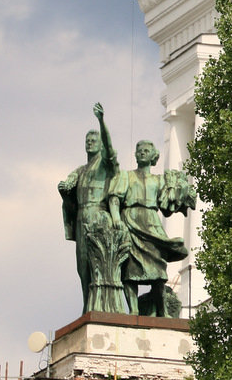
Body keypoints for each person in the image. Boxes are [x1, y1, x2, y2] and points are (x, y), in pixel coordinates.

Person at [111, 140, 192, 316]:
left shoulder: (159, 180)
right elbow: (115, 198)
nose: (142, 153)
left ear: (153, 156)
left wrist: (177, 192)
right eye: (139, 150)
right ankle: (133, 310)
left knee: (158, 272)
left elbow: (167, 208)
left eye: (146, 150)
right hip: (130, 221)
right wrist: (117, 219)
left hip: (151, 223)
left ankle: (162, 311)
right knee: (129, 270)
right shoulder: (126, 176)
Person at [59, 103, 120, 313]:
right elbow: (69, 186)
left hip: (98, 217)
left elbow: (111, 150)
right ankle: (87, 306)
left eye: (94, 141)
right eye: (88, 141)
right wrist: (64, 188)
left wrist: (101, 121)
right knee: (82, 267)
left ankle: (99, 307)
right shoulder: (80, 170)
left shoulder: (104, 163)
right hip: (81, 218)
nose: (90, 143)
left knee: (98, 265)